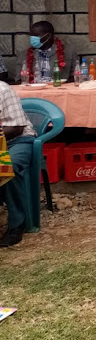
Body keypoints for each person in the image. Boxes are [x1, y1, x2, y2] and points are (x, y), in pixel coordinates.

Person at [0, 81, 36, 247]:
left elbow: (17, 127)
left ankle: (16, 224)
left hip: (17, 140)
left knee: (8, 166)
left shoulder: (3, 90)